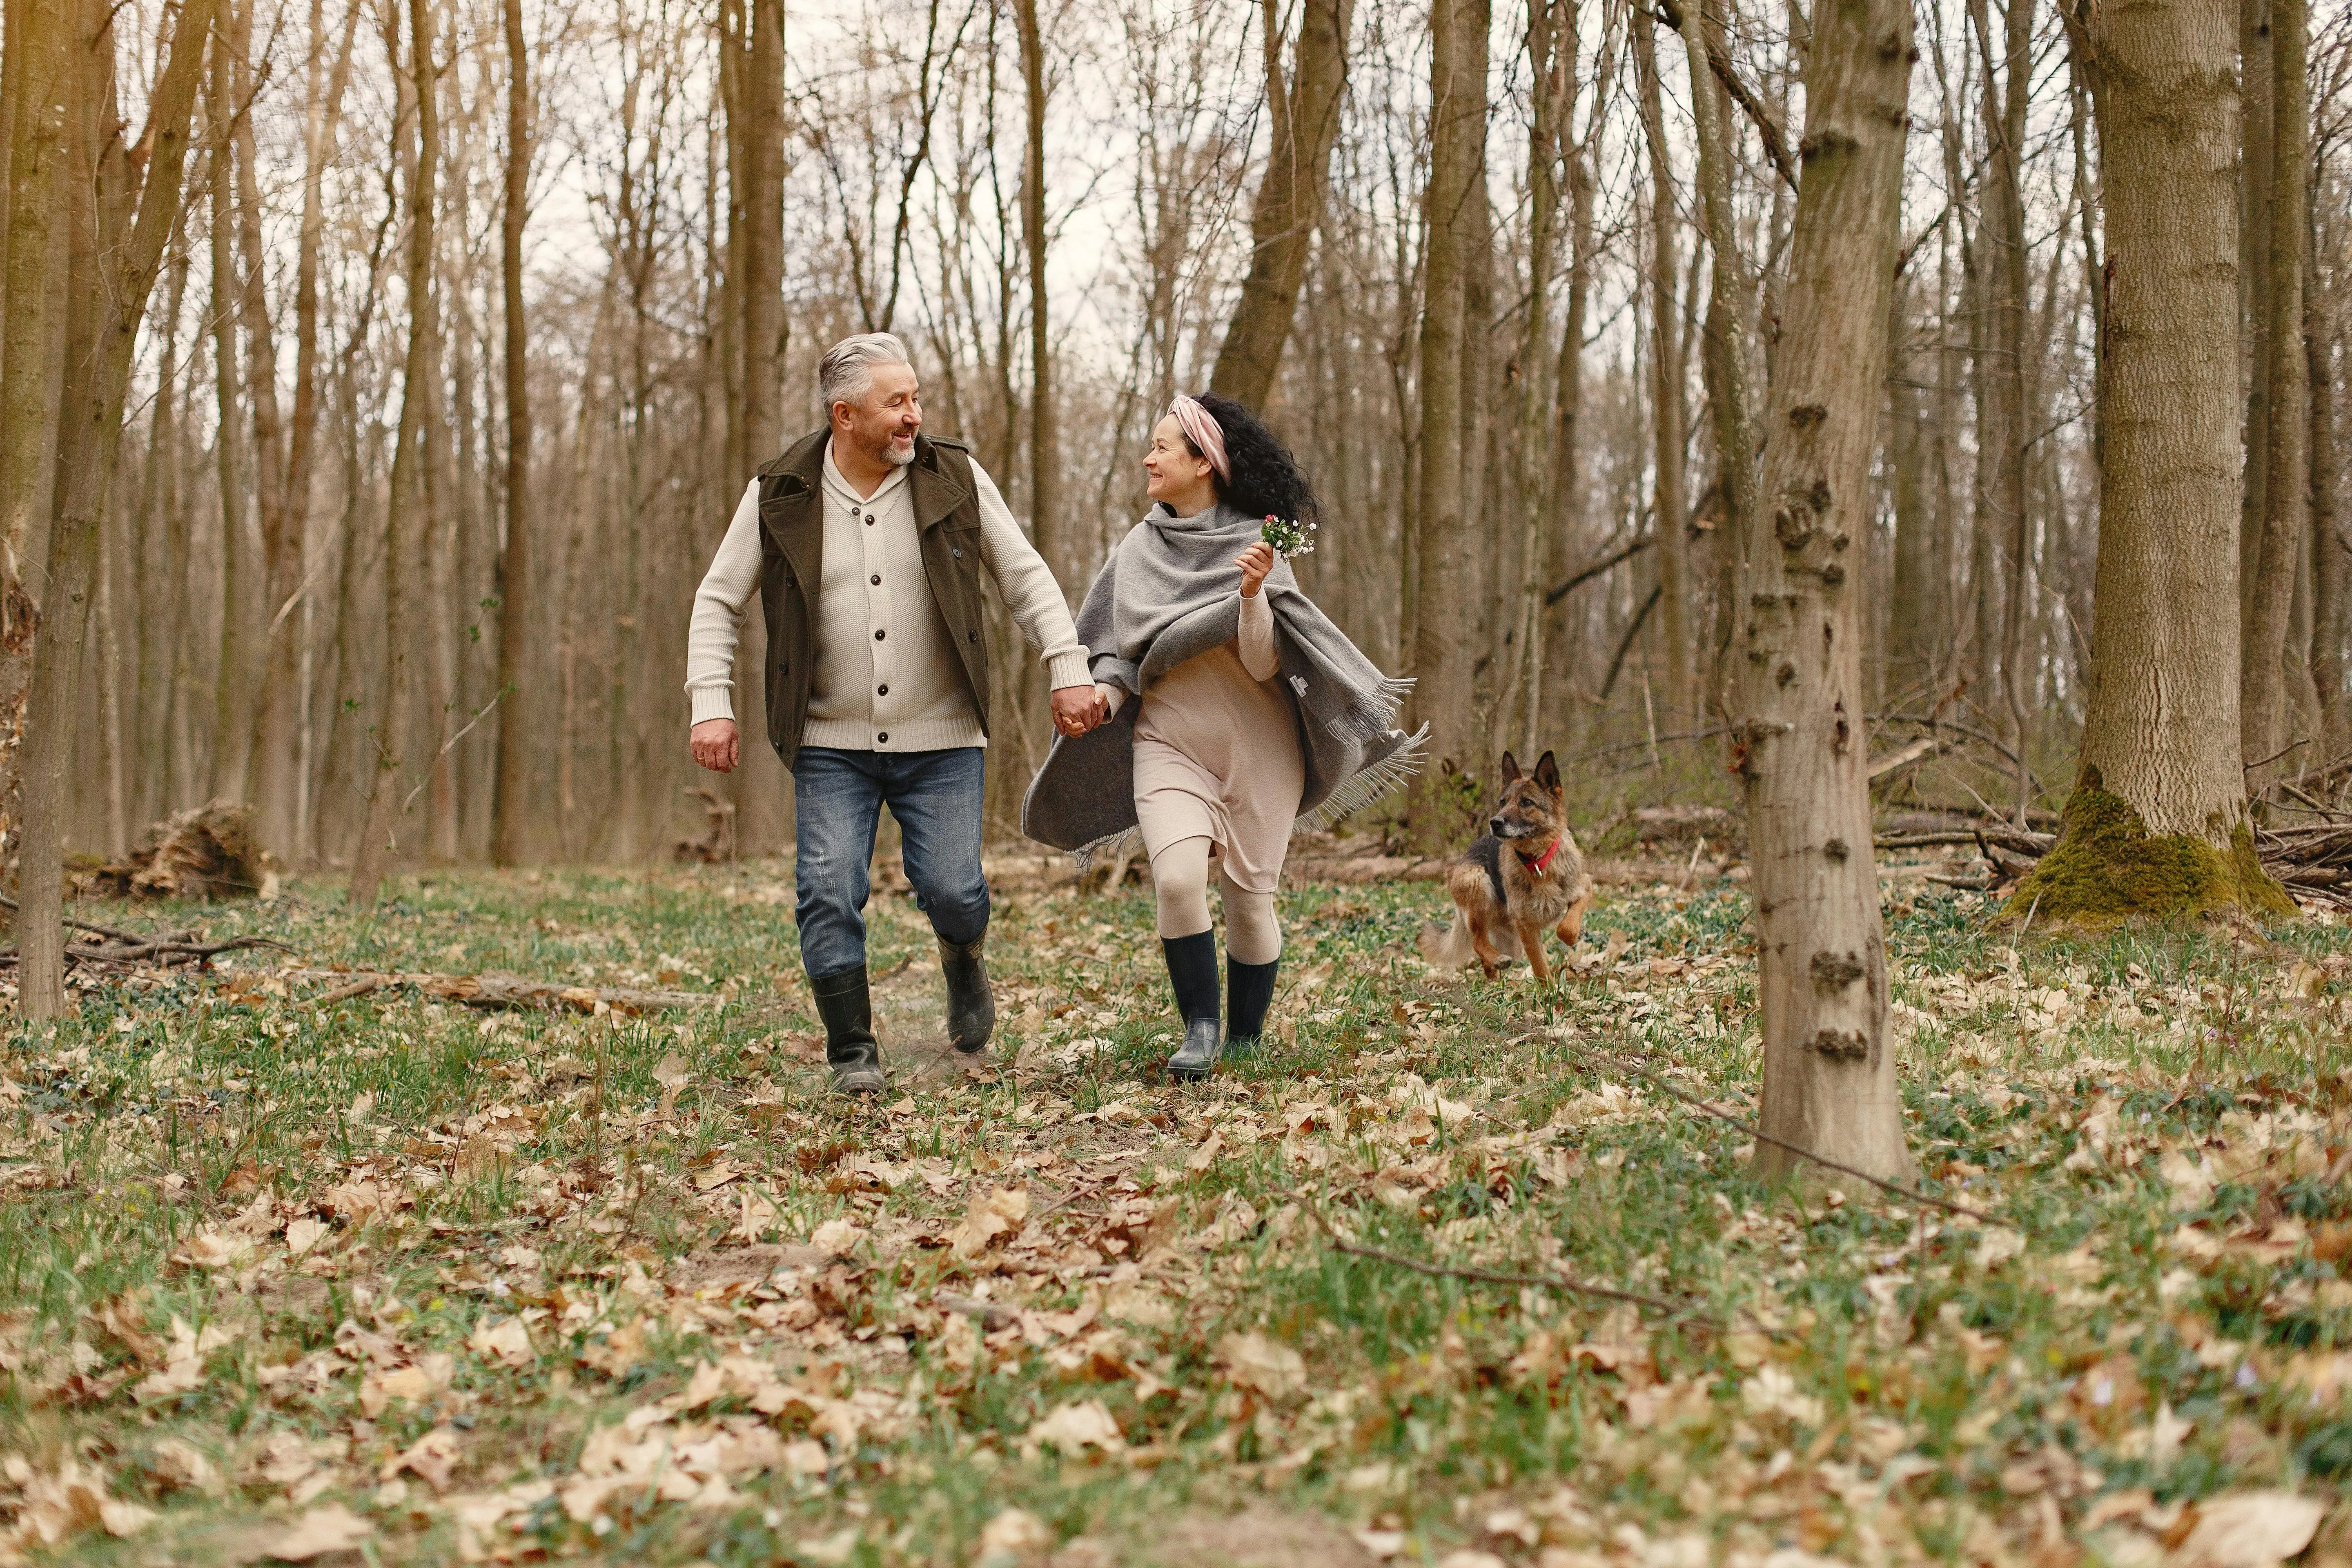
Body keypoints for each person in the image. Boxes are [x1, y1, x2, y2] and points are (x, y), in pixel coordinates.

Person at [686, 333, 1102, 1094]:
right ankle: (853, 1052)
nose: (915, 416)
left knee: (953, 888)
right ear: (845, 416)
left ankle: (963, 958)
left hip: (942, 736)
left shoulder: (954, 476)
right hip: (829, 739)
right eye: (897, 403)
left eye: (916, 399)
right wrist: (711, 705)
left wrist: (1067, 667)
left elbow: (1026, 578)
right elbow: (718, 600)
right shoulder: (780, 488)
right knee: (827, 887)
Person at [1022, 393, 1424, 1081]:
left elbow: (1269, 663)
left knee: (1248, 898)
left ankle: (1244, 1037)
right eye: (1150, 446)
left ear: (1204, 463)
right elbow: (1120, 654)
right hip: (1169, 744)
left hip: (1261, 753)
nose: (1149, 458)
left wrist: (1251, 597)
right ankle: (1201, 1029)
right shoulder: (1138, 549)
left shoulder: (1259, 544)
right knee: (1177, 882)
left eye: (1163, 448)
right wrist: (1102, 696)